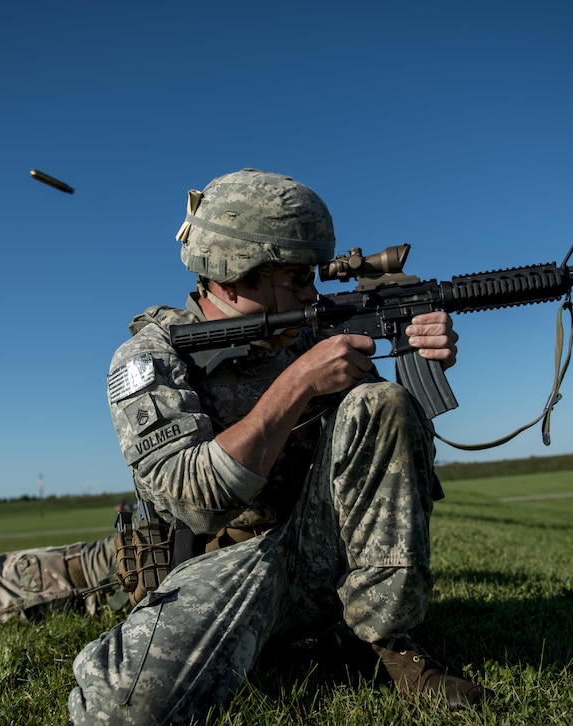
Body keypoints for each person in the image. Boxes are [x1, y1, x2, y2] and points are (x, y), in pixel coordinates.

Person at [67, 169, 489, 725]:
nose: (312, 294)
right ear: (231, 275)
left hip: (319, 554)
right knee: (122, 712)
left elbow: (389, 461)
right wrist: (298, 384)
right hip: (228, 564)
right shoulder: (151, 360)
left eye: (313, 276)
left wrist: (416, 354)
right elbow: (193, 499)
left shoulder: (312, 329)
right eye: (294, 278)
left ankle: (385, 642)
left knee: (384, 402)